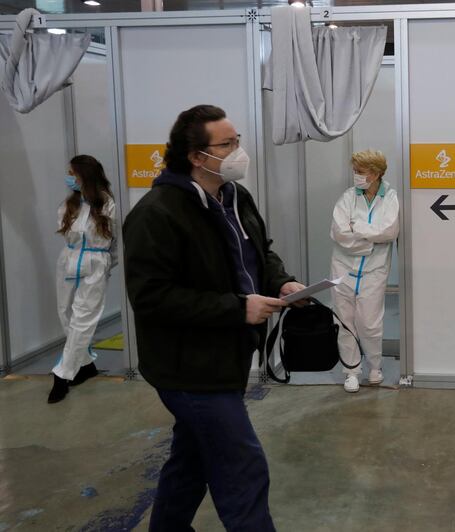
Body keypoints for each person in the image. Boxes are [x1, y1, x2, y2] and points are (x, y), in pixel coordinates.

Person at [123, 105, 305, 531]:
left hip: (227, 357)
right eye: (227, 144)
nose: (239, 151)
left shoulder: (236, 197)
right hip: (186, 368)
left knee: (191, 461)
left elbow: (260, 252)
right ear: (196, 155)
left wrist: (281, 283)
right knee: (242, 468)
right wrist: (237, 308)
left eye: (237, 140)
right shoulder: (156, 213)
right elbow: (151, 297)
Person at [330, 149, 400, 393]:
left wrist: (356, 227)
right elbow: (339, 233)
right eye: (355, 171)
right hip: (343, 268)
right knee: (343, 320)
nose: (356, 176)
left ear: (376, 173)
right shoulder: (348, 197)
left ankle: (375, 366)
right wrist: (371, 240)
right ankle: (351, 371)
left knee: (370, 322)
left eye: (361, 172)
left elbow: (389, 232)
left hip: (374, 270)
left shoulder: (390, 197)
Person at [49, 155, 117, 404]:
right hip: (68, 260)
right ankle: (87, 366)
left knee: (83, 319)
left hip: (95, 262)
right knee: (65, 314)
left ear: (84, 175)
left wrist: (109, 264)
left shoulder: (106, 202)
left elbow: (114, 237)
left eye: (72, 173)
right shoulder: (70, 203)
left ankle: (61, 374)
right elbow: (66, 231)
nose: (69, 177)